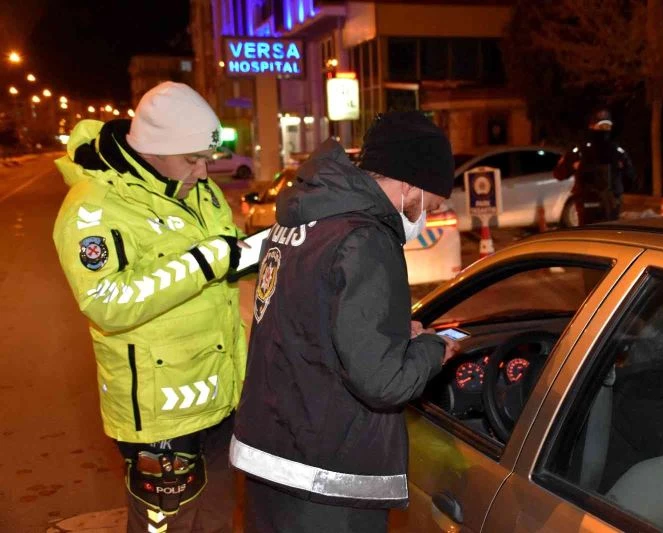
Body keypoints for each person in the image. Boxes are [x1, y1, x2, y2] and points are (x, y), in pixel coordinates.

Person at [231, 111, 460, 532]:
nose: (433, 210)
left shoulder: (304, 219)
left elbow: (310, 322)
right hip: (329, 478)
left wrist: (391, 334)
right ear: (410, 182)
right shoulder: (366, 238)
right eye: (434, 198)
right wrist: (433, 349)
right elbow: (384, 383)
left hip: (272, 460)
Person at [52, 82, 246, 532]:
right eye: (191, 159)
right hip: (160, 414)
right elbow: (107, 303)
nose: (202, 172)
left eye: (206, 159)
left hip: (219, 396)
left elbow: (223, 258)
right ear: (154, 150)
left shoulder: (197, 191)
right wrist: (210, 258)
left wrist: (253, 256)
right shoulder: (94, 208)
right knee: (168, 525)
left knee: (215, 520)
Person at [554, 108, 636, 225]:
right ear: (592, 126)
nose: (604, 130)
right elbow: (559, 173)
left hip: (610, 206)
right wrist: (573, 167)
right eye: (601, 126)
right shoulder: (580, 151)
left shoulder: (617, 152)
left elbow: (631, 177)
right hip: (588, 206)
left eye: (607, 126)